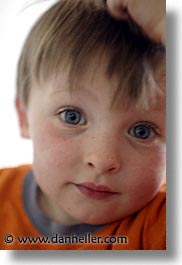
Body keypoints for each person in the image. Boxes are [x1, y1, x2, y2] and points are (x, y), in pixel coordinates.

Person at [0, 0, 166, 250]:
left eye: (141, 131)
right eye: (72, 117)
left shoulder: (162, 224)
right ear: (24, 117)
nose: (102, 160)